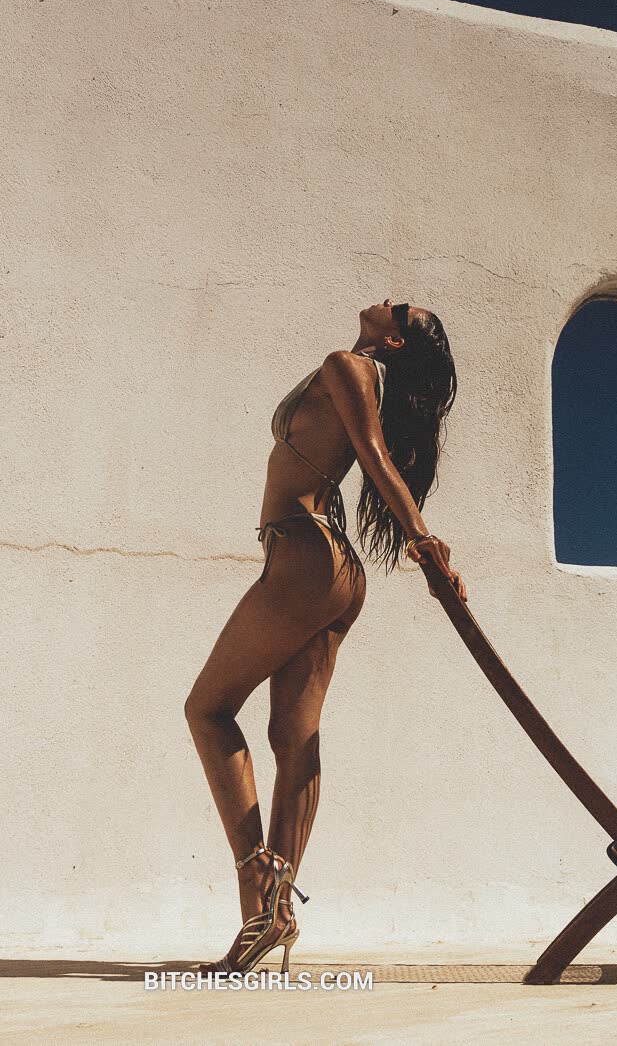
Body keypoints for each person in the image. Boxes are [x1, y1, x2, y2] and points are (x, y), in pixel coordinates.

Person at [184, 299, 466, 975]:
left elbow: (372, 455)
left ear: (393, 341)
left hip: (305, 555)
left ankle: (257, 888)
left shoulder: (349, 366)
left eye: (401, 310)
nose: (387, 300)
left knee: (207, 709)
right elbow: (373, 455)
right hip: (334, 571)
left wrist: (422, 542)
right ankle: (274, 913)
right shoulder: (360, 374)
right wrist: (422, 544)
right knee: (294, 739)